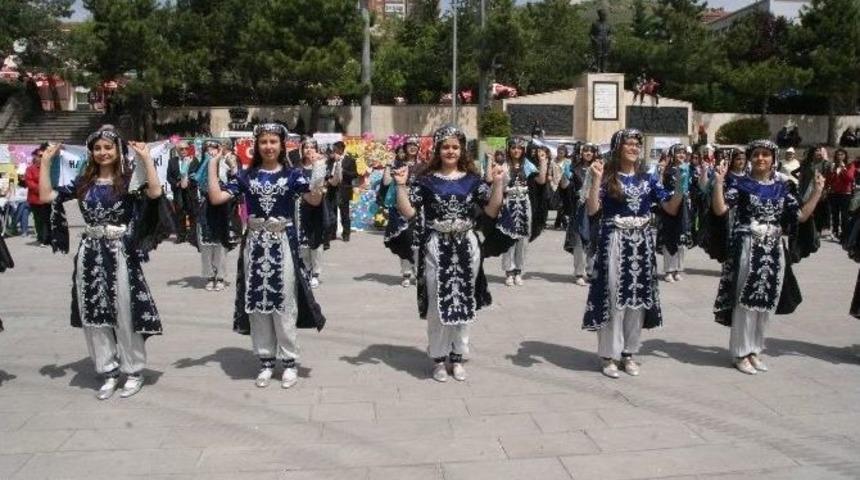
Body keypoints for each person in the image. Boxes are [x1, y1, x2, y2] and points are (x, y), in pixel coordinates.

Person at [39, 128, 167, 400]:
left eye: (108, 147)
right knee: (94, 313)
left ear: (118, 150)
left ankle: (133, 371)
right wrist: (46, 162)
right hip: (89, 253)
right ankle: (108, 371)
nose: (103, 152)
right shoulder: (83, 183)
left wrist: (145, 160)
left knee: (124, 311)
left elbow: (155, 193)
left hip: (120, 251)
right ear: (91, 153)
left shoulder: (129, 180)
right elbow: (46, 197)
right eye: (97, 148)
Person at [207, 123, 326, 389]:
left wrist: (318, 170)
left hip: (282, 243)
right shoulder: (246, 177)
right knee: (258, 301)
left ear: (282, 145)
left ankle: (289, 361)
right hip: (255, 245)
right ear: (256, 146)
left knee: (283, 300)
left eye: (273, 141)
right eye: (264, 142)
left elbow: (314, 200)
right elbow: (216, 198)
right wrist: (213, 164)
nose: (269, 146)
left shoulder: (293, 175)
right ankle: (265, 360)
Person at [393, 124, 505, 382]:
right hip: (436, 247)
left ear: (462, 149)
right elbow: (409, 212)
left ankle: (458, 355)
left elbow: (491, 210)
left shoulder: (472, 180)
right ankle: (438, 358)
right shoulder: (425, 181)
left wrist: (498, 182)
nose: (450, 151)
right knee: (437, 302)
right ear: (438, 149)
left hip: (467, 246)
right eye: (446, 146)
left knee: (464, 300)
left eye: (455, 146)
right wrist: (400, 186)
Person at [711, 140, 824, 375]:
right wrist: (719, 183)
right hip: (748, 246)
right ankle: (740, 352)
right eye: (756, 154)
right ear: (751, 158)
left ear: (773, 158)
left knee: (766, 301)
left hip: (773, 248)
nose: (761, 158)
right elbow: (721, 210)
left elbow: (801, 216)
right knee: (746, 299)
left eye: (765, 154)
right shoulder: (741, 185)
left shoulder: (783, 188)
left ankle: (755, 350)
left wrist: (817, 192)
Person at [582, 129, 685, 379]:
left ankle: (629, 352)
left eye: (637, 144)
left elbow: (670, 208)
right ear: (618, 148)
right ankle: (608, 355)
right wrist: (595, 180)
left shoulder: (648, 178)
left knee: (637, 299)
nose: (633, 148)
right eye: (628, 144)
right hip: (614, 241)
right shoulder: (606, 176)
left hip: (642, 244)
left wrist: (682, 187)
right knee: (614, 296)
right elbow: (594, 210)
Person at [494, 137, 548, 287]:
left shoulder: (527, 164)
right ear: (509, 149)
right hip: (509, 204)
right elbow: (494, 184)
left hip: (524, 204)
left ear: (523, 150)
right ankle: (509, 272)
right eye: (513, 147)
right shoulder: (503, 166)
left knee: (523, 239)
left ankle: (519, 271)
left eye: (519, 148)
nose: (516, 150)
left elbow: (541, 180)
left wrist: (543, 161)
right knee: (508, 237)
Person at [193, 140, 240, 291]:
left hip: (222, 206)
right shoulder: (200, 165)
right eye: (208, 149)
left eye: (214, 148)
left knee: (220, 243)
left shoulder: (226, 162)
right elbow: (194, 183)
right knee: (207, 244)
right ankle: (209, 275)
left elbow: (237, 180)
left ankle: (220, 276)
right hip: (205, 207)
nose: (211, 151)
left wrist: (233, 166)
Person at [383, 136, 423, 287]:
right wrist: (388, 164)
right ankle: (406, 273)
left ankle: (419, 272)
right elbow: (386, 182)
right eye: (410, 145)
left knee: (417, 241)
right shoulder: (398, 164)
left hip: (417, 207)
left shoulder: (424, 166)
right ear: (405, 147)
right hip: (399, 207)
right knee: (403, 239)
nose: (413, 147)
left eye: (415, 145)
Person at [562, 143, 600, 286]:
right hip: (578, 207)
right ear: (581, 152)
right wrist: (565, 175)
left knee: (593, 239)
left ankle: (591, 271)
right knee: (578, 240)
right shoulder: (573, 168)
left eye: (591, 151)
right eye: (585, 151)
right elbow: (564, 187)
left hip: (595, 207)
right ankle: (579, 272)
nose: (588, 153)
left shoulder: (599, 167)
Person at [657, 144, 693, 283]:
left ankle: (678, 269)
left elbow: (693, 188)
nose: (681, 155)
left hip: (684, 207)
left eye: (683, 153)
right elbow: (660, 187)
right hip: (670, 206)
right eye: (678, 153)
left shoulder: (689, 169)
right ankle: (668, 270)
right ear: (673, 154)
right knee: (669, 237)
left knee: (682, 239)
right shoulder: (667, 170)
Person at [297, 137, 329, 288]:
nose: (309, 150)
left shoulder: (321, 166)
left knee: (315, 241)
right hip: (299, 207)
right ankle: (306, 270)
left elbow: (329, 184)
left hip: (316, 207)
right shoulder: (296, 168)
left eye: (312, 147)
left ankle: (316, 273)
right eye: (306, 147)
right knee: (302, 241)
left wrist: (320, 165)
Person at [166, 141, 199, 244]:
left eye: (186, 148)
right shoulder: (172, 161)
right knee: (180, 214)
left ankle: (193, 237)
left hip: (190, 191)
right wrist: (176, 183)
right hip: (178, 192)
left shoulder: (194, 160)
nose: (184, 151)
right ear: (177, 150)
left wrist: (189, 181)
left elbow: (197, 174)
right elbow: (169, 176)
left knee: (193, 214)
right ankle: (181, 236)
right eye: (181, 149)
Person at [25, 144, 52, 247]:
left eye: (42, 156)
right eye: (39, 156)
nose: (41, 158)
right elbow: (29, 183)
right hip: (35, 199)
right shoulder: (30, 169)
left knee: (47, 219)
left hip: (47, 199)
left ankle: (47, 239)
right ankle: (41, 238)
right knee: (38, 220)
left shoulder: (48, 167)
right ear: (35, 157)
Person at [827, 149, 854, 243]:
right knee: (834, 214)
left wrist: (843, 169)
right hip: (834, 193)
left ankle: (845, 234)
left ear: (845, 156)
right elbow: (829, 180)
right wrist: (831, 171)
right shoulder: (833, 166)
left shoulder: (850, 166)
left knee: (844, 215)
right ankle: (835, 232)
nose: (840, 156)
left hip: (845, 194)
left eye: (842, 154)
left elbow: (849, 179)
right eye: (838, 154)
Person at [332, 141, 357, 241]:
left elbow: (355, 174)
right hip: (332, 189)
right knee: (332, 213)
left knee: (344, 213)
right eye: (333, 150)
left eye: (336, 149)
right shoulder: (331, 160)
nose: (334, 151)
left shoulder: (350, 160)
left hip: (344, 189)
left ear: (341, 149)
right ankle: (332, 234)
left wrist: (343, 171)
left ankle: (346, 233)